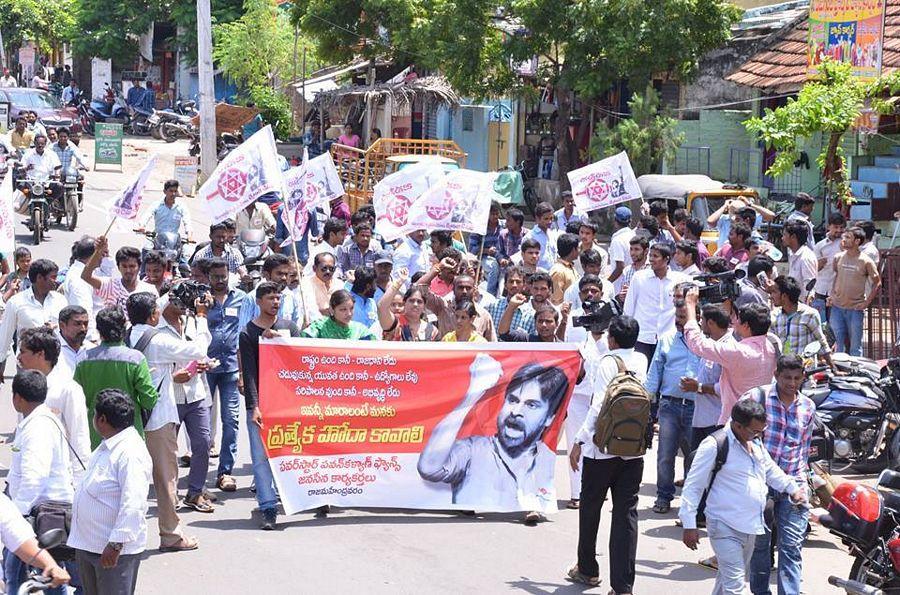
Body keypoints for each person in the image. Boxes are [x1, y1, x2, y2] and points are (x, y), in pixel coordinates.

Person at [679, 398, 807, 595]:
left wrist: (793, 489)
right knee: (736, 587)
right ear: (738, 425)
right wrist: (689, 524)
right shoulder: (715, 444)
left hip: (750, 526)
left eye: (760, 431)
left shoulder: (754, 443)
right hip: (723, 525)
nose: (758, 435)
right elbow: (693, 486)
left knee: (726, 582)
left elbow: (771, 471)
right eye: (754, 431)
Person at [418, 355, 569, 510]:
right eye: (513, 400)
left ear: (549, 418)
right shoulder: (473, 451)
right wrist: (473, 392)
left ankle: (531, 508)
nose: (516, 412)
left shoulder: (544, 458)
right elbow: (429, 468)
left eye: (531, 405)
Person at [567, 315, 647, 591]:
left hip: (601, 451)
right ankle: (623, 585)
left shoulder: (607, 363)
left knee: (591, 509)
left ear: (611, 339)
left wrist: (578, 441)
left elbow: (598, 405)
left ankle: (587, 569)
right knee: (626, 515)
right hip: (633, 451)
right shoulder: (641, 361)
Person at [126, 292, 206, 552]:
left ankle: (125, 537)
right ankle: (171, 535)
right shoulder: (158, 340)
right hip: (158, 419)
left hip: (131, 418)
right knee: (165, 479)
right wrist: (202, 317)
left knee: (129, 480)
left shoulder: (127, 336)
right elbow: (199, 350)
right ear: (153, 315)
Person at [68, 388, 153, 595]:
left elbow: (133, 503)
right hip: (90, 546)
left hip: (112, 553)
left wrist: (115, 545)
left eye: (95, 415)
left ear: (102, 419)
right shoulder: (109, 445)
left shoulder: (130, 453)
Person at [748, 355, 817, 595]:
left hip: (794, 485)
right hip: (761, 484)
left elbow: (804, 448)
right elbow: (738, 435)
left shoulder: (808, 406)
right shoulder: (758, 397)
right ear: (777, 374)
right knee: (760, 547)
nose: (791, 382)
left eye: (797, 378)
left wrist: (804, 484)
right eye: (787, 377)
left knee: (791, 547)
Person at [4, 370, 76, 595]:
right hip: (41, 513)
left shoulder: (37, 428)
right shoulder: (42, 420)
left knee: (17, 574)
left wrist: (16, 516)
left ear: (17, 398)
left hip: (39, 516)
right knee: (49, 575)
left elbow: (35, 477)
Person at [239, 282, 302, 530]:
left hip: (287, 404)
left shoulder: (289, 327)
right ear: (258, 301)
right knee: (260, 457)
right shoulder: (248, 333)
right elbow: (250, 373)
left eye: (278, 298)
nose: (275, 302)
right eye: (270, 298)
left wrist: (282, 341)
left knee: (292, 451)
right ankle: (267, 506)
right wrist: (254, 405)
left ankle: (303, 496)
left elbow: (302, 358)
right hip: (262, 404)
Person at [683, 288, 778, 425]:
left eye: (738, 319)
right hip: (760, 421)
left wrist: (690, 307)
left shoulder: (739, 352)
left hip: (735, 424)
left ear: (746, 326)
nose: (734, 322)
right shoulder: (771, 346)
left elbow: (697, 344)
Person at [645, 299, 702, 514]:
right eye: (677, 318)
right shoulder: (667, 339)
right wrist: (648, 400)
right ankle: (663, 496)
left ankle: (689, 504)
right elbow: (655, 370)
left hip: (696, 407)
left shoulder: (702, 342)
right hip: (669, 405)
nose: (680, 322)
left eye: (684, 318)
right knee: (665, 455)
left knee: (693, 456)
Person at [159, 294, 214, 513]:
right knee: (168, 450)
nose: (185, 306)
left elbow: (204, 347)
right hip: (170, 396)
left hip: (196, 393)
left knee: (203, 443)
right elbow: (151, 364)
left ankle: (195, 492)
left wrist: (204, 364)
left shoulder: (193, 322)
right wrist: (174, 376)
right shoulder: (157, 328)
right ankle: (169, 495)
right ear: (168, 301)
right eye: (180, 301)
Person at [73, 307, 158, 447]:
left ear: (99, 331)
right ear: (124, 327)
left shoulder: (83, 359)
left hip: (95, 435)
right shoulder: (135, 359)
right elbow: (149, 401)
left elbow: (77, 400)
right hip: (129, 435)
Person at [205, 258, 254, 492]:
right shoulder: (201, 300)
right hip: (205, 369)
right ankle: (199, 472)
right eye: (215, 277)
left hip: (232, 368)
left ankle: (225, 472)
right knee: (202, 425)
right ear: (208, 277)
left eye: (223, 276)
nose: (220, 281)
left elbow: (246, 330)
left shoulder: (241, 299)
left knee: (231, 421)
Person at [17, 328, 90, 478]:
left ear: (40, 354)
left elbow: (79, 438)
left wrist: (79, 483)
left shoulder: (67, 389)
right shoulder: (24, 387)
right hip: (27, 475)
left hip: (56, 482)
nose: (18, 357)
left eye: (23, 352)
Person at [623, 243, 688, 362]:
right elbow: (629, 308)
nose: (651, 259)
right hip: (643, 337)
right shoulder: (639, 278)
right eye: (650, 256)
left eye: (655, 256)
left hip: (669, 338)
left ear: (666, 259)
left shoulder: (680, 280)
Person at [0, 259, 67, 367]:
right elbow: (5, 335)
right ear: (40, 278)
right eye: (53, 277)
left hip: (57, 363)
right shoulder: (16, 302)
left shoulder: (61, 300)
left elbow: (68, 330)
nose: (57, 280)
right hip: (27, 364)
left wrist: (56, 328)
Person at [829, 227, 881, 356]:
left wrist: (866, 303)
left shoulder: (866, 261)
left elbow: (877, 282)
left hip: (855, 310)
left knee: (855, 347)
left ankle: (856, 373)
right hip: (837, 308)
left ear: (857, 241)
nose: (843, 240)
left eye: (848, 237)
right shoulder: (838, 258)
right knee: (837, 345)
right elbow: (836, 276)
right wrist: (831, 295)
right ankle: (838, 373)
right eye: (843, 237)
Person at [686, 305, 730, 450]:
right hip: (701, 418)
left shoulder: (728, 348)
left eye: (702, 320)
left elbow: (726, 387)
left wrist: (698, 387)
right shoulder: (711, 345)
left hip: (717, 422)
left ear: (710, 323)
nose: (700, 323)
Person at [82, 237, 158, 313]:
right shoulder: (110, 285)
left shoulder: (149, 291)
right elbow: (85, 276)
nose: (128, 270)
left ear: (139, 267)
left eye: (132, 266)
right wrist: (98, 252)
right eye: (124, 266)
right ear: (118, 267)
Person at [771, 276, 833, 366]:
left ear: (784, 296)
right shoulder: (774, 316)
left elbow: (821, 342)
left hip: (804, 369)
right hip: (782, 370)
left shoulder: (810, 314)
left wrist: (833, 367)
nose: (771, 296)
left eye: (774, 292)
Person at [424, 274, 496, 340]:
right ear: (453, 289)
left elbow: (493, 346)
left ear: (474, 290)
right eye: (460, 288)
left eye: (468, 288)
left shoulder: (484, 315)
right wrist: (437, 268)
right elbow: (419, 290)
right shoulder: (443, 307)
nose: (464, 291)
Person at [377, 271, 441, 341]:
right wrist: (399, 282)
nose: (415, 304)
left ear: (424, 306)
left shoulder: (432, 331)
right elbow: (381, 307)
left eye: (419, 302)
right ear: (404, 303)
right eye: (411, 301)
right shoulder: (395, 323)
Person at [302, 289, 378, 340]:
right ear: (332, 309)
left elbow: (374, 349)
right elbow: (302, 343)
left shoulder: (360, 330)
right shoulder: (320, 327)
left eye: (351, 308)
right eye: (343, 309)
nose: (349, 314)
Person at [811, 211, 846, 322]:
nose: (839, 230)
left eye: (841, 227)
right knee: (821, 324)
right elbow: (813, 269)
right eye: (836, 227)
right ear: (828, 227)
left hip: (839, 292)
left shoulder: (846, 244)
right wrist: (819, 265)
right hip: (821, 290)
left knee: (837, 326)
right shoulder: (820, 246)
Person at [487, 266, 536, 336]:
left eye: (518, 282)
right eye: (511, 281)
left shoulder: (530, 315)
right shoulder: (492, 307)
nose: (514, 285)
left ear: (524, 285)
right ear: (505, 285)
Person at [468, 201, 502, 295]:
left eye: (497, 213)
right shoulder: (479, 229)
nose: (495, 216)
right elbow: (472, 250)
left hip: (501, 256)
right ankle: (490, 294)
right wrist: (487, 251)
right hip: (484, 258)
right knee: (493, 266)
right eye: (492, 214)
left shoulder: (503, 226)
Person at [299, 252, 344, 321]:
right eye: (324, 268)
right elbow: (311, 311)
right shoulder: (307, 284)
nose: (328, 272)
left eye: (331, 268)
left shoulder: (339, 284)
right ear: (314, 268)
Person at [783, 221, 817, 301]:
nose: (782, 238)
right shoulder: (792, 254)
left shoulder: (806, 258)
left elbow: (809, 289)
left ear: (793, 237)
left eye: (784, 235)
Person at [55, 305, 90, 377]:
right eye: (77, 324)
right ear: (62, 325)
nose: (83, 329)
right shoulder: (51, 350)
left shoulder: (92, 350)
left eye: (85, 324)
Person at [525, 202, 559, 270]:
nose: (549, 222)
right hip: (538, 277)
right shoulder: (530, 237)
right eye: (546, 219)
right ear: (537, 218)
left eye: (551, 218)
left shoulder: (553, 234)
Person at [549, 233, 580, 306]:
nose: (579, 250)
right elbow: (556, 300)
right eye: (578, 248)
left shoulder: (570, 267)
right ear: (573, 250)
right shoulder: (558, 271)